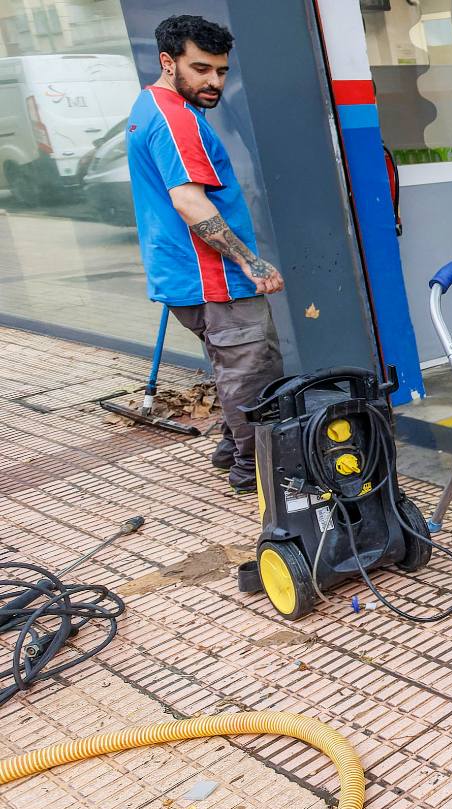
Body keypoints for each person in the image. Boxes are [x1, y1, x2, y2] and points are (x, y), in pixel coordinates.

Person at [127, 15, 285, 493]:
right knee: (254, 375)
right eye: (201, 69)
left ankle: (231, 447)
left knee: (231, 365)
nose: (214, 81)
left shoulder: (148, 106)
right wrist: (250, 262)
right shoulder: (176, 119)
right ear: (167, 62)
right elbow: (189, 202)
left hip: (186, 276)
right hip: (213, 276)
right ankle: (254, 471)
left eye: (221, 71)